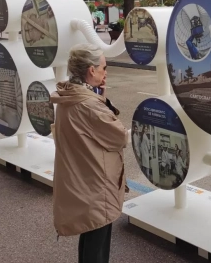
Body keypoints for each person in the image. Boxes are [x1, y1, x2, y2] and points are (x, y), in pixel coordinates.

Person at [50, 43, 128, 263]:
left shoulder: (69, 96)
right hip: (95, 185)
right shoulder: (89, 105)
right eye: (103, 67)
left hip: (81, 181)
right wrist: (100, 102)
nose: (106, 72)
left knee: (89, 234)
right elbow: (119, 136)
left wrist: (100, 98)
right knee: (97, 243)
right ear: (91, 70)